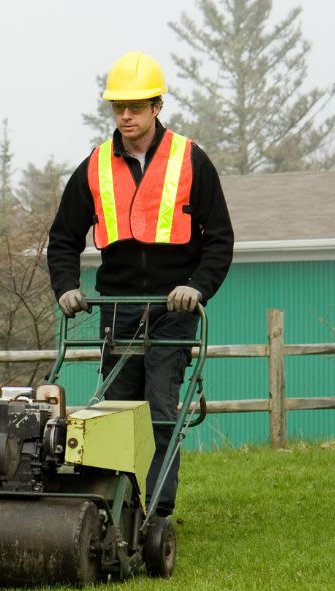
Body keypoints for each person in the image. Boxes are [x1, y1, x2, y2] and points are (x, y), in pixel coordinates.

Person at [47, 51, 234, 519]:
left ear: (157, 107)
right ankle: (115, 506)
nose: (125, 116)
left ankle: (156, 513)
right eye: (118, 107)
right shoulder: (94, 167)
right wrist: (67, 286)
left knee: (160, 407)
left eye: (135, 107)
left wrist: (197, 287)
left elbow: (220, 239)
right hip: (120, 307)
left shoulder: (190, 160)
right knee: (115, 411)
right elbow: (63, 238)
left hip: (174, 307)